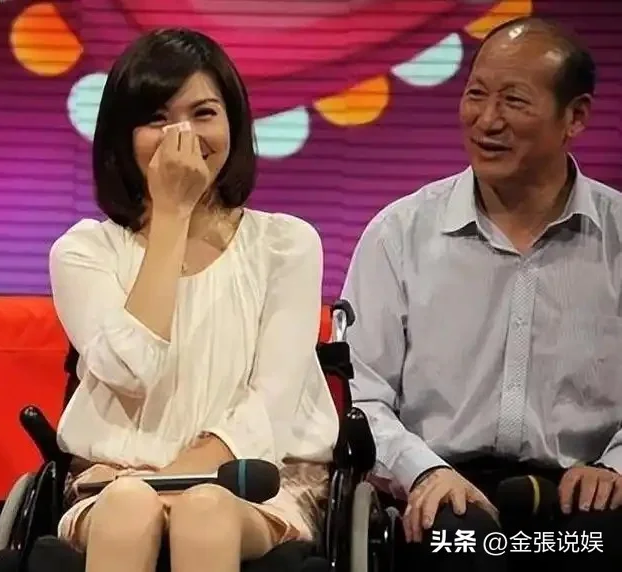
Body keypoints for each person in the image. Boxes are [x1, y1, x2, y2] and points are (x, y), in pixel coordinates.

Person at [47, 28, 339, 572]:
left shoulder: (287, 244)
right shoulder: (85, 251)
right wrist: (171, 216)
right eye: (158, 119)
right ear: (122, 135)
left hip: (254, 483)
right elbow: (131, 370)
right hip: (113, 484)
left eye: (204, 114)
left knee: (204, 509)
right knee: (128, 506)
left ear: (234, 124)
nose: (182, 136)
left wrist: (175, 479)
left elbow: (273, 400)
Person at [342, 15, 622, 572]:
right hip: (446, 496)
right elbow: (360, 395)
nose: (487, 120)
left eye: (514, 101)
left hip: (582, 496)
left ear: (575, 117)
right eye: (476, 95)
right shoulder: (400, 233)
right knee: (466, 550)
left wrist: (616, 467)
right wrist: (423, 470)